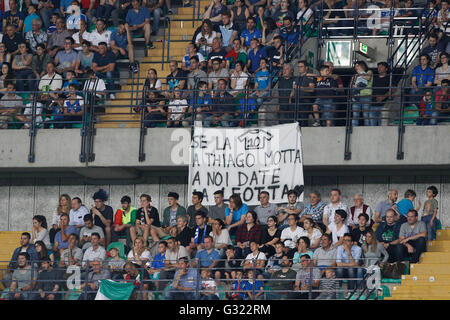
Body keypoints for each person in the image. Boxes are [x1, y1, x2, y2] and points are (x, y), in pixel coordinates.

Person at [351, 60, 373, 126]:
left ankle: (367, 130)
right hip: (356, 96)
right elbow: (352, 86)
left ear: (362, 66)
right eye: (355, 67)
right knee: (355, 115)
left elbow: (368, 77)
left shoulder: (369, 71)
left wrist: (360, 73)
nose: (356, 68)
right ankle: (353, 130)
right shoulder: (356, 75)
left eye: (357, 66)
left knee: (366, 115)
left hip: (366, 96)